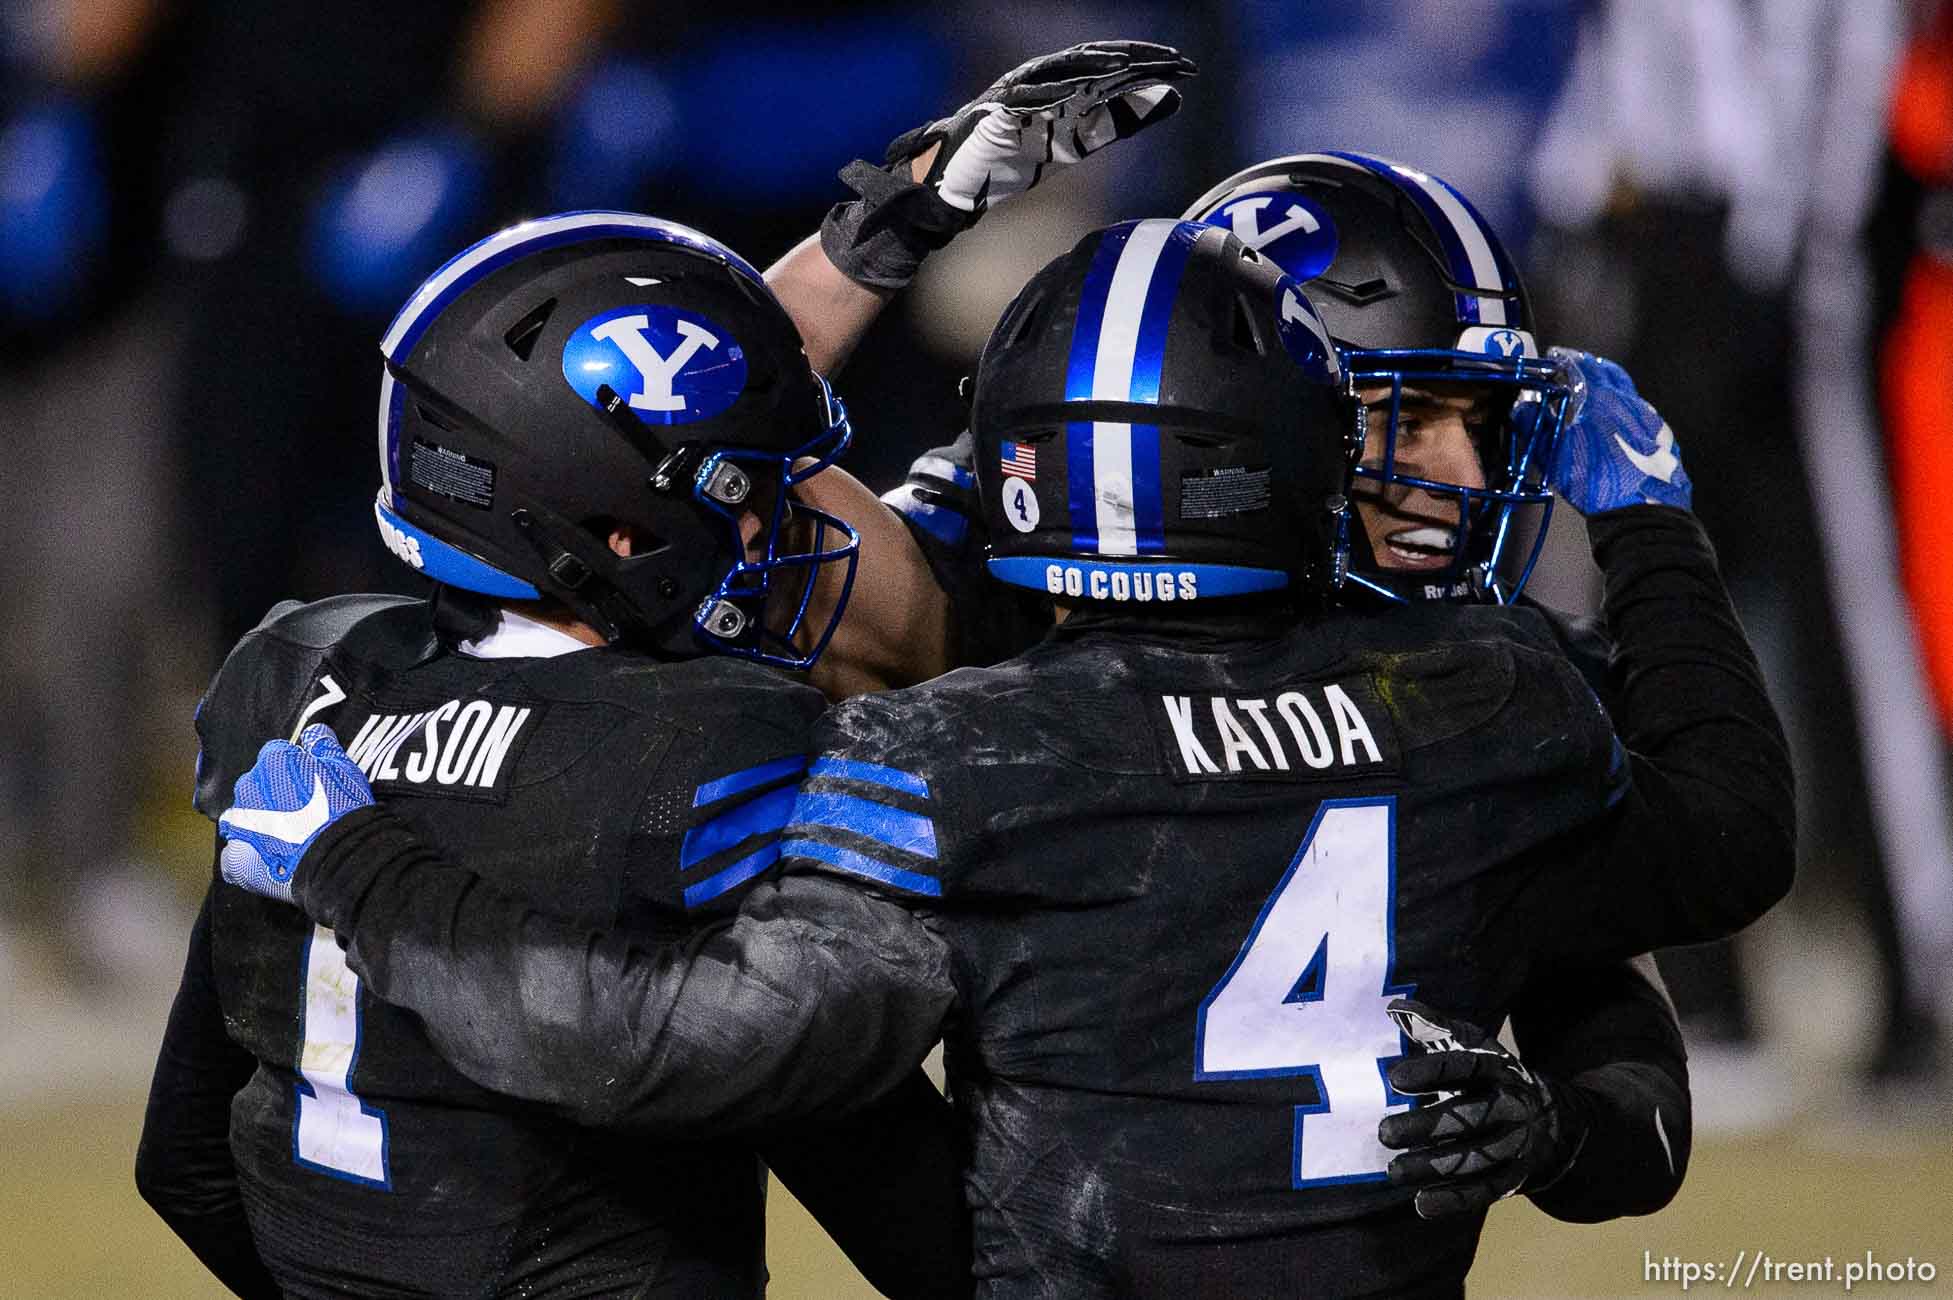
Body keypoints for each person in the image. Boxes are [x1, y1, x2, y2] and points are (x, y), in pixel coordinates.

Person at [218, 220, 1792, 1296]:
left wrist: (363, 853)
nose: (1427, 477)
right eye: (1394, 425)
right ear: (1297, 447)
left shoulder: (947, 751)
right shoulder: (1494, 704)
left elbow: (682, 1038)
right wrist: (1650, 528)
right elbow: (1713, 862)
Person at [135, 42, 1201, 1298]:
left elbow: (185, 1164)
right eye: (751, 497)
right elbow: (891, 1183)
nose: (788, 529)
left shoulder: (303, 679)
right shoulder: (701, 746)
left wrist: (877, 233)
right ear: (616, 533)